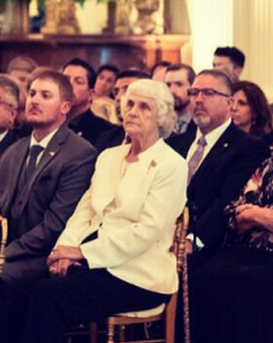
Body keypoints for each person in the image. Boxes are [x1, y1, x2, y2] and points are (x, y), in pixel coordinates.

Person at [24, 79, 187, 343]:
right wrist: (63, 250)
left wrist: (83, 253)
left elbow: (147, 231)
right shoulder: (109, 156)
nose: (133, 111)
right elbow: (85, 212)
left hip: (140, 274)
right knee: (27, 283)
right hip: (96, 263)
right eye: (130, 104)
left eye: (144, 107)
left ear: (162, 118)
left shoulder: (172, 165)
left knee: (48, 296)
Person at [0, 70, 97, 343]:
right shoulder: (13, 151)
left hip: (45, 255)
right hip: (6, 252)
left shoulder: (79, 153)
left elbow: (56, 225)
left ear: (65, 107)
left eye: (46, 95)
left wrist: (4, 254)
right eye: (33, 93)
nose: (35, 100)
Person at [166, 70, 266, 258]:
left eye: (208, 93)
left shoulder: (247, 147)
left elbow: (226, 203)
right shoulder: (175, 143)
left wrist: (192, 242)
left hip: (206, 247)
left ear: (229, 102)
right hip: (160, 237)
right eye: (194, 93)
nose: (198, 99)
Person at [189, 155, 273, 342]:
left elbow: (248, 214)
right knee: (201, 278)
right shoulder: (269, 162)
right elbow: (235, 213)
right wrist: (261, 215)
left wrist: (253, 215)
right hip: (247, 248)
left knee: (252, 290)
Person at [62, 58, 117, 151]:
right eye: (65, 79)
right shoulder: (47, 123)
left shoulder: (105, 132)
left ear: (91, 94)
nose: (69, 84)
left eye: (78, 81)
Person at [231, 81, 273, 148]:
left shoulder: (266, 144)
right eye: (230, 102)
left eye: (242, 103)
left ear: (255, 112)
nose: (233, 108)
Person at [164, 64, 196, 137]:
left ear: (192, 87)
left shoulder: (200, 123)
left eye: (179, 84)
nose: (172, 91)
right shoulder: (160, 122)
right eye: (168, 85)